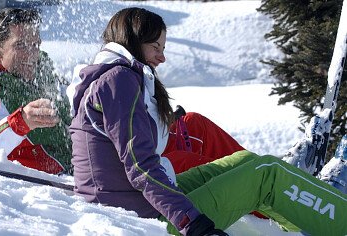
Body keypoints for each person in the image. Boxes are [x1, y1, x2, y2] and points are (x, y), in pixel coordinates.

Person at [68, 7, 347, 235]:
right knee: (267, 174)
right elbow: (139, 165)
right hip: (137, 215)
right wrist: (191, 222)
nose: (162, 57)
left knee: (245, 161)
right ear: (132, 41)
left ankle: (310, 225)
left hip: (131, 202)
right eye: (155, 47)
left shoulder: (112, 77)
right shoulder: (118, 80)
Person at [0, 8, 73, 175]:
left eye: (35, 45)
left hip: (82, 174)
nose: (32, 54)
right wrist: (20, 123)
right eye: (21, 45)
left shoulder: (44, 75)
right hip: (47, 193)